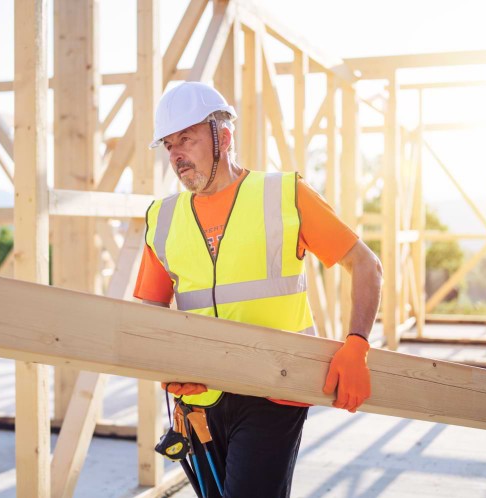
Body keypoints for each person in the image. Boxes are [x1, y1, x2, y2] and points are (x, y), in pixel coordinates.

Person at [134, 81, 382, 497]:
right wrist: (168, 368)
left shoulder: (284, 195)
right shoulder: (162, 217)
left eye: (187, 139)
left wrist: (356, 343)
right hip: (199, 401)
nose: (176, 154)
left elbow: (365, 264)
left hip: (274, 390)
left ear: (224, 138)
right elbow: (148, 312)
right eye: (169, 145)